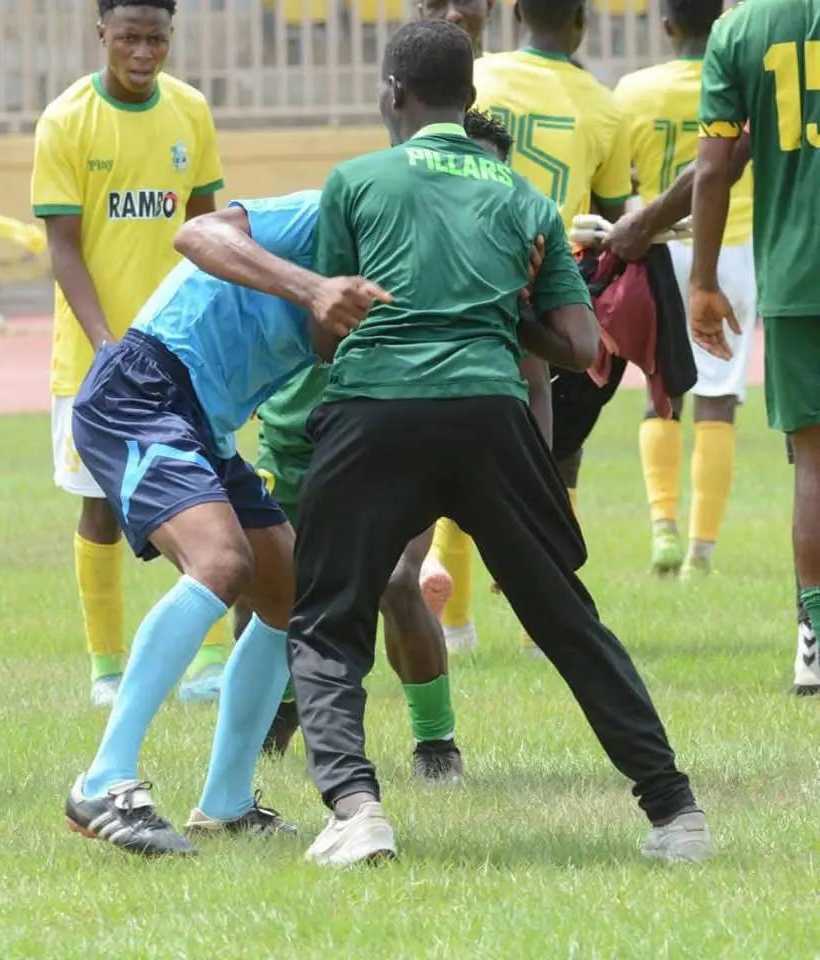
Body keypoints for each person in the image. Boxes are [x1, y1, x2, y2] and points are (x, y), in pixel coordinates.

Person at [286, 19, 710, 868]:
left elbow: (328, 335)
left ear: (390, 94)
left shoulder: (354, 181)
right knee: (564, 619)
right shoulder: (523, 199)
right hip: (488, 411)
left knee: (329, 619)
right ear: (471, 99)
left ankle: (358, 809)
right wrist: (499, 317)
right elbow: (583, 347)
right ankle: (675, 815)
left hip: (376, 408)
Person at [63, 187, 389, 856]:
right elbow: (197, 235)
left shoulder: (408, 254)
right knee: (221, 563)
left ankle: (226, 803)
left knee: (285, 592)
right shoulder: (337, 206)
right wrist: (313, 288)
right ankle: (102, 780)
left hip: (203, 423)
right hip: (141, 389)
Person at [253, 111, 532, 784]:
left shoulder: (498, 259)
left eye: (490, 177)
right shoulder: (360, 210)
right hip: (298, 434)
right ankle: (268, 727)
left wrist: (532, 500)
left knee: (397, 579)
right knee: (277, 595)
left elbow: (535, 374)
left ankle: (435, 744)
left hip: (398, 436)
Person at [31, 0, 227, 707]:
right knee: (99, 507)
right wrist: (109, 348)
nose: (143, 52)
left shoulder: (190, 111)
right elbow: (64, 248)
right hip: (95, 354)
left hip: (185, 351)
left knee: (213, 490)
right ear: (101, 36)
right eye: (129, 38)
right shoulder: (65, 121)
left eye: (157, 38)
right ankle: (107, 670)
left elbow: (208, 230)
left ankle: (210, 661)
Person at [425, 0, 633, 655]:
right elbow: (609, 219)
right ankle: (542, 621)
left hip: (461, 280)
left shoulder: (473, 77)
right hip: (551, 289)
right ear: (581, 25)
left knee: (458, 438)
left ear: (514, 14)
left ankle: (452, 624)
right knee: (553, 458)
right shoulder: (603, 104)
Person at [690, 0, 820, 694]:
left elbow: (713, 167)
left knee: (813, 462)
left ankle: (815, 640)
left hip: (798, 270)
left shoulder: (738, 29)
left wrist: (702, 281)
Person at [614, 0, 756, 578]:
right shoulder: (741, 86)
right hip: (734, 244)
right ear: (721, 19)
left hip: (660, 247)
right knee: (719, 397)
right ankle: (703, 549)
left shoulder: (632, 91)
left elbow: (621, 175)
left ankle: (663, 527)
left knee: (659, 386)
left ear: (665, 24)